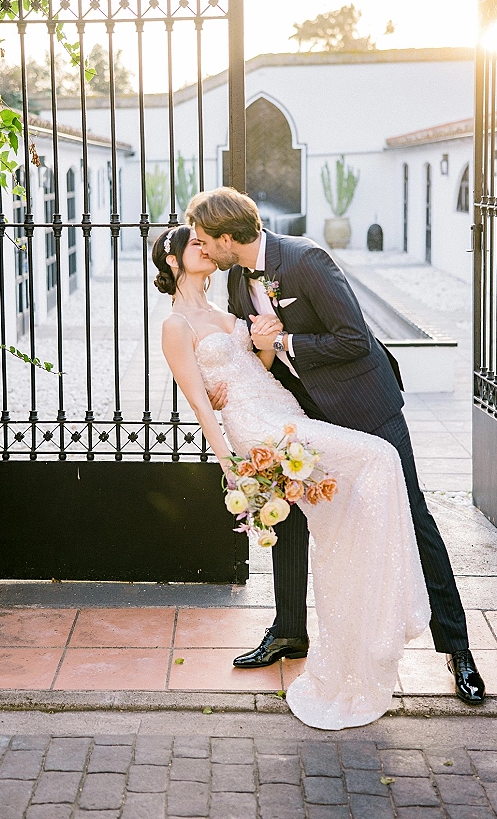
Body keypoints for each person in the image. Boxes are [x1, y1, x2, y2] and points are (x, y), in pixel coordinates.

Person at [184, 186, 486, 708]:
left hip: (367, 407)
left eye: (207, 242)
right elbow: (255, 356)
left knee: (413, 517)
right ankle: (288, 632)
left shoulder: (306, 261)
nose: (203, 251)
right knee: (293, 516)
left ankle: (458, 651)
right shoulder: (237, 280)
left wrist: (282, 343)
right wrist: (243, 370)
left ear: (229, 238)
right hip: (306, 415)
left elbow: (354, 339)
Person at [153, 222, 430, 729]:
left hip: (286, 413)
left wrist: (261, 342)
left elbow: (256, 365)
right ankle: (395, 613)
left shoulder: (224, 307)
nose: (207, 249)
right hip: (260, 431)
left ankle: (363, 631)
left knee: (343, 518)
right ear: (173, 262)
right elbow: (200, 404)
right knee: (378, 459)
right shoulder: (177, 326)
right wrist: (232, 468)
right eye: (195, 245)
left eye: (207, 241)